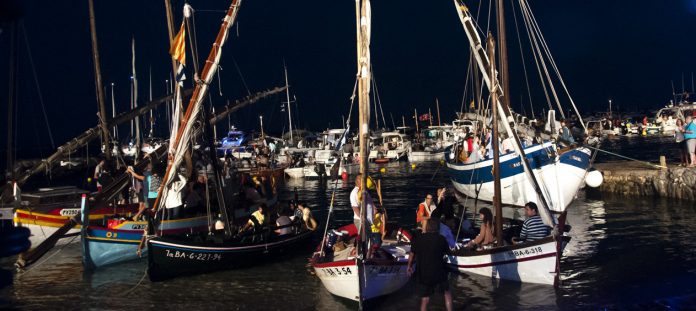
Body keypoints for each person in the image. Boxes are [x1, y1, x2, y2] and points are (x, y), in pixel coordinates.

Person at [407, 219, 453, 311]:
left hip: (424, 273)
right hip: (439, 272)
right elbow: (448, 252)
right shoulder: (441, 239)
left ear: (427, 227)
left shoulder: (418, 239)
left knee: (425, 299)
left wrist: (409, 266)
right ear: (437, 228)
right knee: (447, 293)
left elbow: (412, 254)